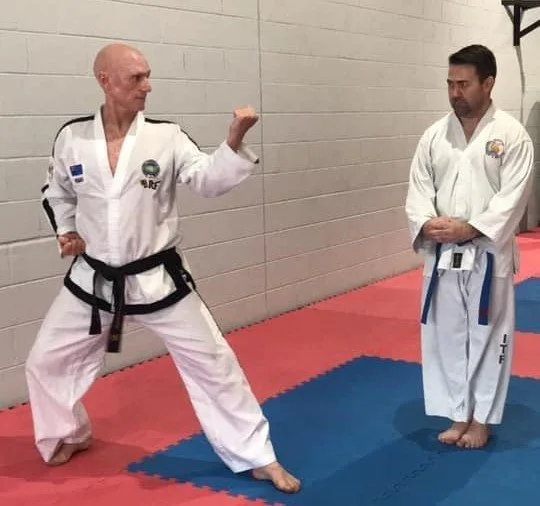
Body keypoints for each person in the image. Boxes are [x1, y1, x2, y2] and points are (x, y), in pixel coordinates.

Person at [25, 42, 300, 493]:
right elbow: (57, 193)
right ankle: (67, 433)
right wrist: (66, 231)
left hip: (158, 279)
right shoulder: (72, 137)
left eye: (147, 76)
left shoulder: (166, 137)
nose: (147, 86)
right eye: (136, 78)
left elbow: (206, 180)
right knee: (46, 360)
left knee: (214, 363)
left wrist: (233, 141)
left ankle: (256, 455)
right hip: (94, 278)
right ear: (105, 81)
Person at [405, 44, 534, 449]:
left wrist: (471, 228)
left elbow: (514, 197)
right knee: (446, 337)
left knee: (488, 337)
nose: (454, 92)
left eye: (463, 84)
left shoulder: (511, 135)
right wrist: (427, 222)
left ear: (488, 83)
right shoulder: (434, 135)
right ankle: (458, 413)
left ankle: (481, 420)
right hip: (443, 253)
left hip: (488, 255)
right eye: (450, 84)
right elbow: (418, 188)